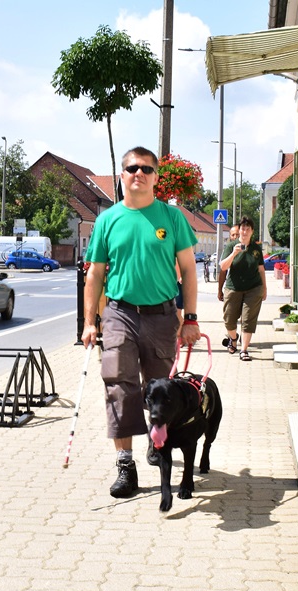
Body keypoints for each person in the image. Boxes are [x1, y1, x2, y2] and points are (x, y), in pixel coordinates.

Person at [81, 146, 201, 499]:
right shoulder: (108, 220)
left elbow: (190, 271)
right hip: (119, 313)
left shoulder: (172, 217)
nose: (140, 173)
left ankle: (157, 441)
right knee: (120, 386)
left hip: (163, 316)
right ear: (122, 175)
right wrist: (91, 322)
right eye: (133, 168)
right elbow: (95, 275)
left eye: (147, 169)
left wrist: (190, 317)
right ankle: (125, 464)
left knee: (159, 389)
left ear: (156, 177)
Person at [219, 216, 267, 362]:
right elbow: (223, 267)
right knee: (229, 320)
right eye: (242, 228)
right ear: (239, 230)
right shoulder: (231, 246)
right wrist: (234, 253)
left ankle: (244, 350)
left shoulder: (256, 248)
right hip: (233, 288)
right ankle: (233, 339)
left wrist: (264, 288)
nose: (244, 231)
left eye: (248, 229)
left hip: (253, 288)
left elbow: (261, 270)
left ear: (252, 232)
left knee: (248, 320)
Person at [217, 224, 239, 302]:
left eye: (237, 234)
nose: (235, 237)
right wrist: (220, 290)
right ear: (230, 236)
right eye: (233, 235)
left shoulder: (247, 247)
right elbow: (223, 271)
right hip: (232, 288)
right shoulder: (228, 249)